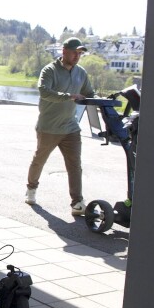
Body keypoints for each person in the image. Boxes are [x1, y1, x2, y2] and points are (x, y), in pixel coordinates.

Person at [25, 36, 95, 215]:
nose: (77, 56)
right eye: (74, 53)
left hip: (71, 127)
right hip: (49, 127)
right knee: (39, 160)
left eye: (80, 53)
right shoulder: (49, 70)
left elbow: (89, 93)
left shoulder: (81, 72)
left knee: (74, 164)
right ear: (64, 51)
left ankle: (77, 202)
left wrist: (103, 101)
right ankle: (31, 189)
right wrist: (70, 96)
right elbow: (44, 92)